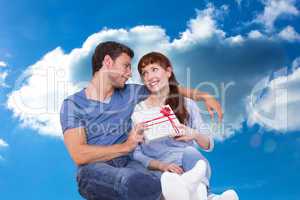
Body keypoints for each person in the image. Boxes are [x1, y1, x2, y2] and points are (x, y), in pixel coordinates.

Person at [60, 41, 223, 200]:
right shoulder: (73, 105)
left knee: (157, 179)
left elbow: (167, 86)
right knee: (131, 179)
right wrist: (125, 147)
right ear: (108, 62)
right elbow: (79, 154)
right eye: (126, 66)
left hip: (131, 163)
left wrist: (204, 96)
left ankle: (196, 194)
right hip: (95, 168)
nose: (130, 73)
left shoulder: (130, 92)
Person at [131, 52, 239, 200]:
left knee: (192, 154)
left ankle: (196, 186)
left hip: (190, 163)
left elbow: (209, 144)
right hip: (162, 170)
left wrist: (194, 134)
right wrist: (161, 166)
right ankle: (207, 196)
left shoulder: (187, 104)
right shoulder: (139, 110)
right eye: (144, 73)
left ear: (168, 72)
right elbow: (136, 153)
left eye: (154, 69)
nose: (149, 77)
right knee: (172, 180)